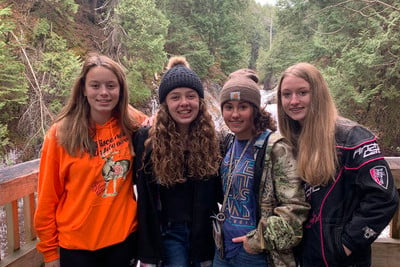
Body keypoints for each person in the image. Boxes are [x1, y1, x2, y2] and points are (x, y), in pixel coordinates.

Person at [276, 62, 399, 267]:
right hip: (303, 257)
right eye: (286, 94)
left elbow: (384, 198)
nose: (294, 101)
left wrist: (346, 244)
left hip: (342, 260)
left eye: (302, 92)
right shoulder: (289, 141)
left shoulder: (353, 138)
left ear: (318, 94)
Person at [34, 52, 148, 267]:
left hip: (123, 241)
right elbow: (48, 197)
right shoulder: (61, 134)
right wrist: (50, 253)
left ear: (121, 90)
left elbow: (158, 123)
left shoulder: (130, 122)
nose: (103, 93)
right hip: (76, 246)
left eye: (111, 86)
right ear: (84, 90)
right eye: (95, 86)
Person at [214, 68, 310, 267]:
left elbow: (295, 210)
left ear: (256, 109)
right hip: (223, 249)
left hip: (257, 254)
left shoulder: (276, 147)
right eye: (228, 107)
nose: (234, 114)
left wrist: (256, 241)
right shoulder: (228, 142)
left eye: (243, 107)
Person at [133, 56, 221, 267]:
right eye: (175, 97)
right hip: (168, 232)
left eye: (190, 96)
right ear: (165, 104)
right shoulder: (146, 139)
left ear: (199, 101)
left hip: (204, 231)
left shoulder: (213, 139)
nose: (184, 103)